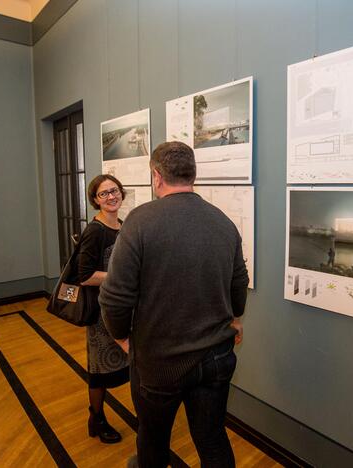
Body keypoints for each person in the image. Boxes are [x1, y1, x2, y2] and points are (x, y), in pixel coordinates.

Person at [100, 141, 249, 467]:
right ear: (192, 174)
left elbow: (114, 296)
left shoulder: (140, 221)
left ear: (156, 176)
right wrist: (236, 317)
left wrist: (121, 336)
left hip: (159, 361)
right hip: (216, 358)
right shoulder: (223, 223)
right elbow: (239, 283)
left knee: (153, 441)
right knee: (212, 440)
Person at [77, 174, 130, 444]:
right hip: (100, 313)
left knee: (129, 364)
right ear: (95, 200)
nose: (111, 196)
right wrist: (121, 276)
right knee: (99, 372)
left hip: (125, 309)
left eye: (114, 191)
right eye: (104, 193)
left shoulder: (124, 225)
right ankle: (96, 419)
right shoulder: (94, 231)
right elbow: (84, 275)